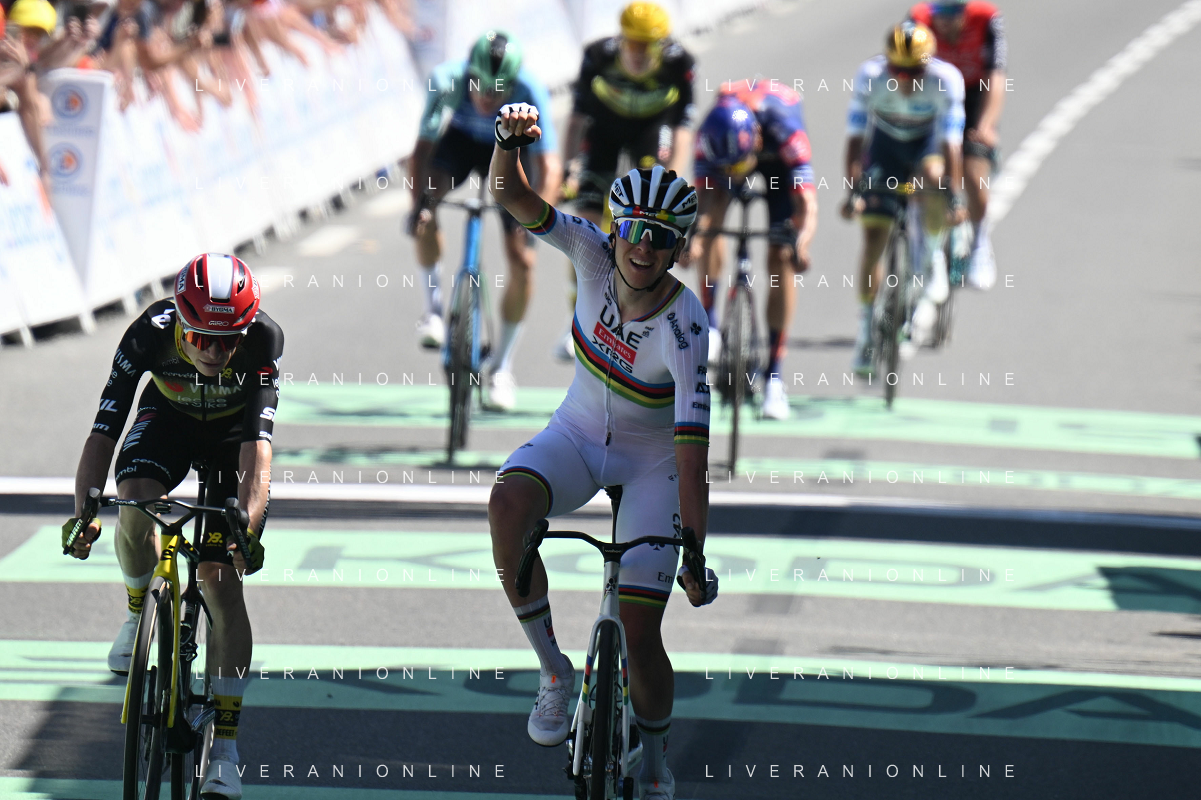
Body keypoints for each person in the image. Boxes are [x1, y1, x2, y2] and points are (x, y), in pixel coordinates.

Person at [490, 102, 717, 800]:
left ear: (677, 249)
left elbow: (691, 455)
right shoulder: (589, 250)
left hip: (652, 466)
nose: (642, 248)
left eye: (661, 238)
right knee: (508, 503)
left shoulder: (686, 326)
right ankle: (553, 669)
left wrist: (694, 552)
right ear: (615, 230)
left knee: (641, 635)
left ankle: (654, 762)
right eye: (634, 232)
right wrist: (506, 143)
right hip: (578, 435)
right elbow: (512, 196)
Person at [64, 253, 282, 799]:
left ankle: (225, 750)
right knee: (134, 502)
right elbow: (104, 428)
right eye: (202, 337)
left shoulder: (263, 341)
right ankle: (137, 610)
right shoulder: (148, 334)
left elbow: (258, 451)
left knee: (219, 580)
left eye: (227, 341)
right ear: (181, 324)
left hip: (231, 440)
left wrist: (247, 531)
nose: (214, 351)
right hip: (168, 422)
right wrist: (83, 512)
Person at [407, 30, 561, 411]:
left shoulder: (529, 90)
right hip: (460, 143)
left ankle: (502, 367)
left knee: (522, 260)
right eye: (479, 86)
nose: (487, 96)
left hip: (508, 149)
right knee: (427, 204)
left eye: (498, 89)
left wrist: (539, 222)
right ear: (468, 73)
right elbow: (421, 151)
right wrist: (418, 206)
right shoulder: (446, 81)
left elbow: (549, 166)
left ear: (513, 83)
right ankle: (433, 311)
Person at [555, 0, 696, 360]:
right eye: (631, 43)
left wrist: (673, 182)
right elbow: (577, 118)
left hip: (652, 129)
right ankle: (580, 319)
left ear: (661, 46)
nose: (637, 52)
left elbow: (682, 128)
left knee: (651, 221)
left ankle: (646, 319)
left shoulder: (680, 63)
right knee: (586, 225)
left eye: (646, 45)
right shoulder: (597, 56)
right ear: (621, 38)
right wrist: (568, 167)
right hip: (605, 131)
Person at [841, 21, 966, 372]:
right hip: (885, 150)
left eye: (916, 72)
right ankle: (866, 330)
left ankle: (932, 255)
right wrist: (854, 192)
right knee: (873, 237)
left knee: (934, 179)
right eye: (899, 71)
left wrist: (954, 196)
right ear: (887, 63)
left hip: (926, 147)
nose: (907, 79)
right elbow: (855, 140)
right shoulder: (870, 77)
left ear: (929, 64)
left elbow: (951, 144)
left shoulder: (946, 80)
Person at [689, 80, 818, 420]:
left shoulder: (786, 132)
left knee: (782, 256)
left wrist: (802, 243)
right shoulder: (708, 137)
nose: (733, 175)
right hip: (730, 148)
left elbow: (807, 204)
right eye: (726, 168)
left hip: (777, 168)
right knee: (710, 222)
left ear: (757, 140)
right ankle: (710, 324)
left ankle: (774, 376)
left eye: (736, 167)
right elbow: (701, 205)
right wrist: (693, 242)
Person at [909, 0, 1007, 288]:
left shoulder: (987, 18)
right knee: (922, 174)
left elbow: (995, 76)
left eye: (953, 13)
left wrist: (986, 125)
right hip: (933, 97)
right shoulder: (918, 19)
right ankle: (923, 245)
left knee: (974, 173)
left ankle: (979, 243)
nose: (945, 20)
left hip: (973, 94)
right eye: (940, 13)